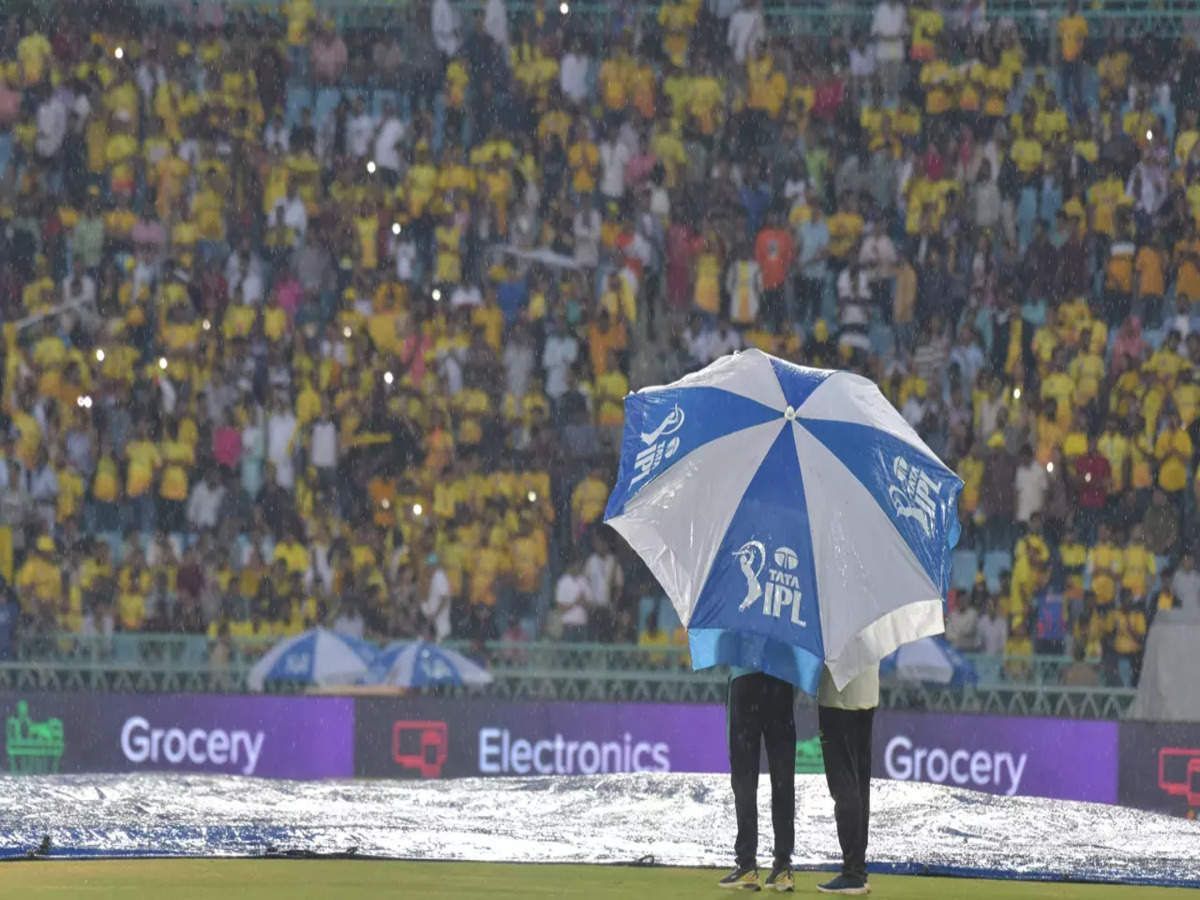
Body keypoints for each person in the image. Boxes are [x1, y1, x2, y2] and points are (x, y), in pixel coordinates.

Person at [718, 667, 795, 892]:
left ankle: (747, 865)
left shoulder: (740, 629)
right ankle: (783, 866)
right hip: (780, 682)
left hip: (745, 681)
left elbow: (723, 642)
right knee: (783, 778)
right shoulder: (786, 628)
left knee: (744, 779)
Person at [816, 663, 878, 895]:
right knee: (860, 785)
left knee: (845, 786)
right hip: (868, 692)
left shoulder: (835, 623)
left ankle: (852, 872)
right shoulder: (872, 623)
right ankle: (858, 869)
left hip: (838, 695)